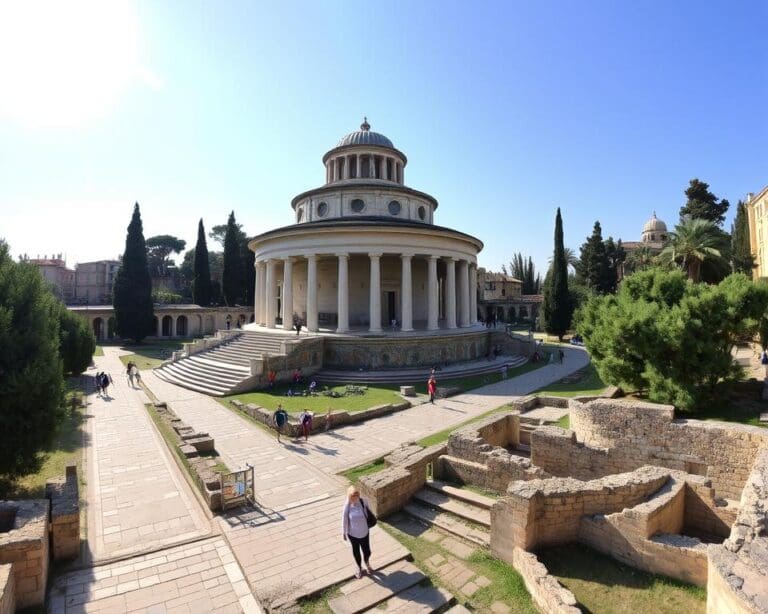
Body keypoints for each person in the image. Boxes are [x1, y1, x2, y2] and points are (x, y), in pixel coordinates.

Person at [341, 485, 374, 579]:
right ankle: (359, 567)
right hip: (353, 534)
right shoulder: (347, 505)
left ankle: (367, 563)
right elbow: (344, 519)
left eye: (356, 496)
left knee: (367, 551)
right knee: (356, 552)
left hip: (364, 532)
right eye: (353, 497)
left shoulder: (363, 501)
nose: (355, 499)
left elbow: (368, 512)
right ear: (349, 497)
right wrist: (344, 532)